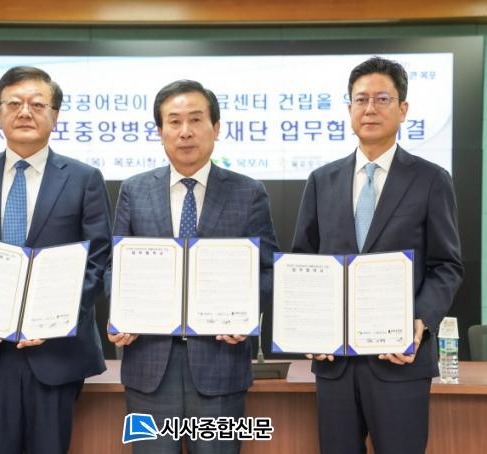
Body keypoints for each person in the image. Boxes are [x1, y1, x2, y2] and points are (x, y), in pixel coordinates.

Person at [0, 66, 112, 454]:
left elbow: (98, 261)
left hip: (57, 352)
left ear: (55, 115)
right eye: (13, 103)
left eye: (37, 104)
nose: (25, 112)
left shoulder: (84, 178)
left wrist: (58, 318)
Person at [291, 56, 464, 454]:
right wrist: (309, 328)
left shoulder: (431, 179)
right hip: (335, 363)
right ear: (349, 108)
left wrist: (420, 320)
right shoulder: (321, 181)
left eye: (382, 99)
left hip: (400, 359)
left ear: (403, 109)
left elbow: (446, 265)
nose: (370, 108)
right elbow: (304, 261)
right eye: (361, 99)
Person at [108, 79, 279, 453]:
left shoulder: (248, 192)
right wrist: (121, 313)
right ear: (160, 132)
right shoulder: (134, 190)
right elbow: (113, 269)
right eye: (174, 121)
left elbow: (269, 271)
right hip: (149, 368)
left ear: (216, 127)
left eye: (196, 120)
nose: (185, 131)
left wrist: (244, 313)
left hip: (221, 366)